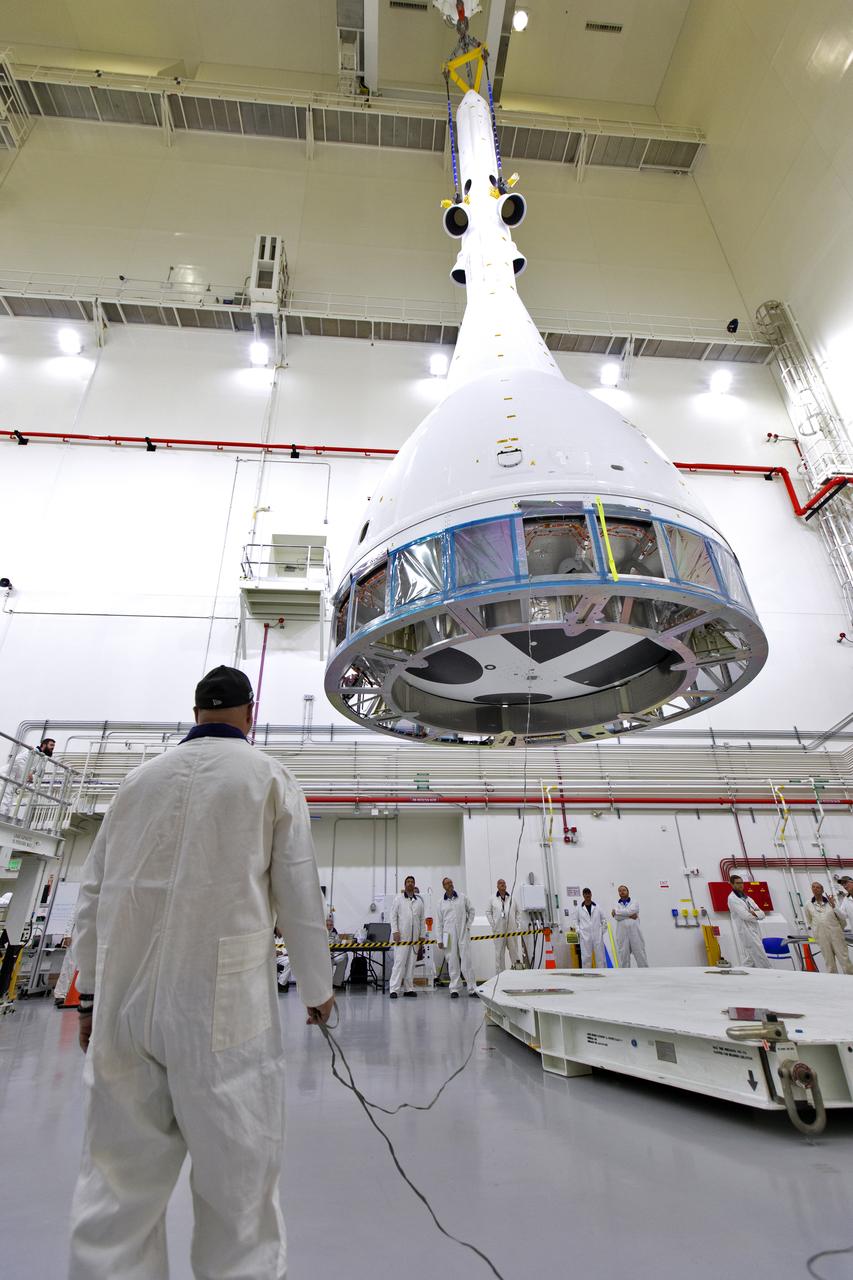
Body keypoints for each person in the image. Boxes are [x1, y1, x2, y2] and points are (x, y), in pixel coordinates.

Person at [68, 665, 334, 1280]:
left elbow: (92, 896)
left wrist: (88, 997)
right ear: (250, 713)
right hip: (222, 1014)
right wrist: (317, 990)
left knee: (115, 1191)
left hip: (123, 1009)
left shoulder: (136, 782)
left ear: (195, 712)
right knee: (238, 1193)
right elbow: (299, 897)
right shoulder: (268, 778)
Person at [438, 876, 477, 997]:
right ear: (443, 886)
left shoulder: (462, 897)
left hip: (462, 932)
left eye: (451, 882)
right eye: (447, 883)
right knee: (451, 961)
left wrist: (468, 926)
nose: (450, 884)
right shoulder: (440, 902)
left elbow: (472, 911)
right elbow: (439, 923)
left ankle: (472, 988)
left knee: (466, 960)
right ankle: (454, 988)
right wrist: (439, 939)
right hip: (447, 935)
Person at [804, 882, 853, 975]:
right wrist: (817, 932)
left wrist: (837, 930)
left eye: (818, 887)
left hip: (836, 935)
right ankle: (833, 982)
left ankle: (850, 978)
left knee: (844, 960)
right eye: (813, 887)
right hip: (822, 937)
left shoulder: (831, 902)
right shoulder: (808, 904)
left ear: (822, 890)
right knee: (829, 962)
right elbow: (809, 920)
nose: (815, 889)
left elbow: (842, 920)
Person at [389, 875, 425, 999]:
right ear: (405, 885)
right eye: (408, 882)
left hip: (415, 939)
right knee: (399, 963)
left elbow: (422, 919)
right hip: (402, 937)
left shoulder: (419, 901)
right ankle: (394, 989)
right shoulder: (398, 899)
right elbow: (393, 916)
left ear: (414, 885)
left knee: (411, 964)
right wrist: (395, 931)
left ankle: (409, 989)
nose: (410, 883)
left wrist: (422, 935)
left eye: (412, 882)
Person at [727, 875, 771, 968]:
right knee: (760, 954)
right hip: (746, 930)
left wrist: (754, 913)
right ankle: (769, 972)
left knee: (751, 958)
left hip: (755, 928)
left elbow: (762, 914)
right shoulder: (732, 899)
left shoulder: (748, 898)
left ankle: (741, 972)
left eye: (741, 883)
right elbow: (745, 916)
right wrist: (756, 913)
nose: (740, 885)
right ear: (732, 884)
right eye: (737, 883)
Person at [486, 878, 520, 971]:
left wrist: (517, 924)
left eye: (504, 883)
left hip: (511, 930)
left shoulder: (512, 898)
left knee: (514, 952)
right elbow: (488, 912)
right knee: (499, 954)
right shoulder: (492, 899)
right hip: (499, 930)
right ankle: (500, 975)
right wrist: (493, 925)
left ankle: (517, 973)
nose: (502, 884)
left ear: (506, 886)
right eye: (500, 883)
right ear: (497, 886)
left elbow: (518, 912)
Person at [611, 884, 648, 968]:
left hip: (635, 932)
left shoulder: (634, 902)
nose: (622, 892)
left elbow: (632, 910)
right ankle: (624, 974)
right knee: (623, 956)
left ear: (628, 891)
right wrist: (629, 915)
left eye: (624, 890)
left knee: (640, 954)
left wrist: (618, 912)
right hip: (622, 933)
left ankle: (645, 972)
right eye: (620, 891)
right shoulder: (616, 903)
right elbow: (617, 917)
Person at [572, 888, 607, 968]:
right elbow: (575, 921)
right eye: (585, 894)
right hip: (585, 936)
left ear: (591, 894)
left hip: (597, 936)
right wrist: (578, 931)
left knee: (600, 957)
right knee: (586, 958)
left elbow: (604, 919)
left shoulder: (597, 907)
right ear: (583, 895)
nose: (587, 895)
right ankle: (587, 974)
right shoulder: (579, 908)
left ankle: (602, 973)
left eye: (588, 893)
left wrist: (602, 931)